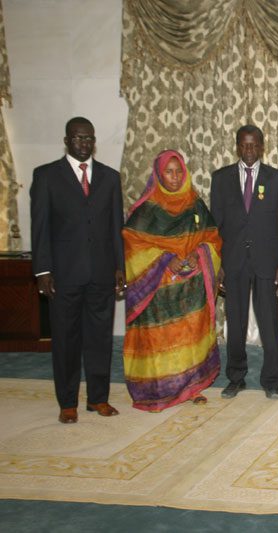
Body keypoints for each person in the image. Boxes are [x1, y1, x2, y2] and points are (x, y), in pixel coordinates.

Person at [30, 116, 125, 424]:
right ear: (66, 141)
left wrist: (120, 267)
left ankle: (98, 398)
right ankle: (67, 402)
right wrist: (42, 270)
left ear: (94, 141)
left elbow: (116, 227)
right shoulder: (46, 176)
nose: (84, 143)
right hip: (63, 275)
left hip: (101, 273)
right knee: (65, 340)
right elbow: (40, 227)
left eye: (89, 138)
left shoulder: (110, 177)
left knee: (100, 339)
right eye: (78, 138)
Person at [122, 150, 222, 412]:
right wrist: (166, 259)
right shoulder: (147, 209)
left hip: (191, 287)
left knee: (191, 338)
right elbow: (132, 245)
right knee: (162, 340)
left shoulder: (194, 203)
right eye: (169, 172)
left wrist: (198, 253)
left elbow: (212, 237)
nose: (175, 177)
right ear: (159, 174)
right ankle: (160, 392)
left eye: (179, 172)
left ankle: (192, 388)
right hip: (159, 290)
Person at [211, 125, 278, 400]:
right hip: (233, 263)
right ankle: (236, 377)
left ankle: (272, 381)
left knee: (269, 325)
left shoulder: (277, 179)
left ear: (262, 147)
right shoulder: (221, 179)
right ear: (237, 147)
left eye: (254, 145)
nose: (249, 150)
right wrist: (218, 265)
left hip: (267, 262)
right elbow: (215, 226)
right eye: (244, 145)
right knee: (236, 323)